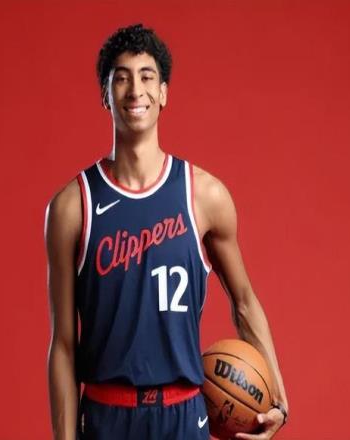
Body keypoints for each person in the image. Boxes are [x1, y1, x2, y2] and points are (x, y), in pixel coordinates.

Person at [45, 23, 289, 440]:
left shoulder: (204, 196)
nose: (135, 90)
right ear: (105, 95)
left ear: (163, 93)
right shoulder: (72, 206)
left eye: (147, 77)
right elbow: (64, 345)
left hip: (183, 415)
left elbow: (245, 302)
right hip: (107, 415)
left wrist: (279, 401)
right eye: (121, 78)